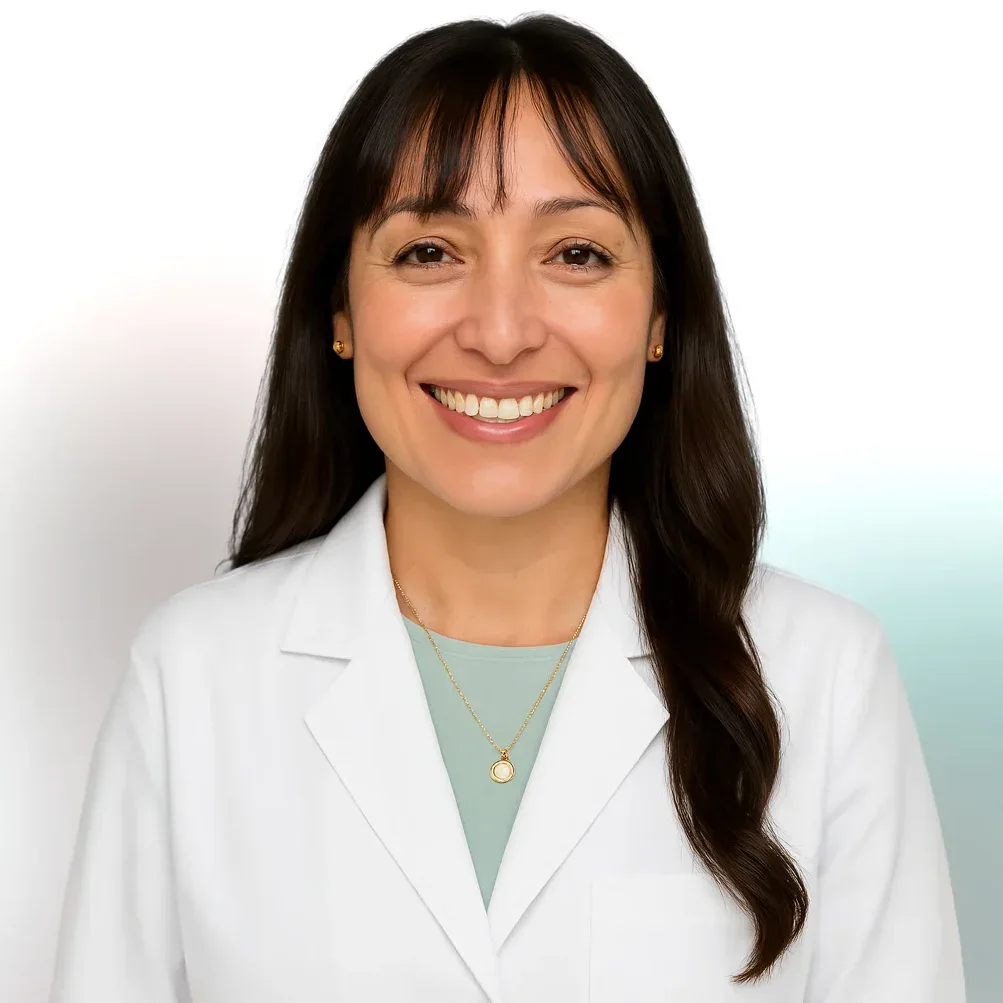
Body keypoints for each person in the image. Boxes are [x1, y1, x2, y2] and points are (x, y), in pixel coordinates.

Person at [48, 13, 966, 1003]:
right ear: (340, 311)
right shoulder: (192, 679)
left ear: (660, 315)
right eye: (428, 251)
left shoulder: (822, 675)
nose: (498, 332)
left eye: (575, 253)